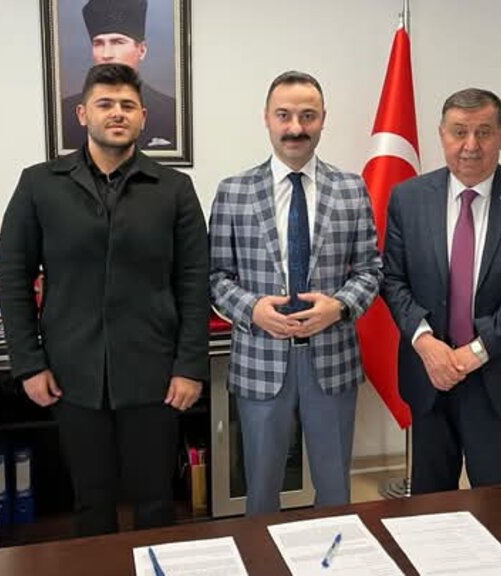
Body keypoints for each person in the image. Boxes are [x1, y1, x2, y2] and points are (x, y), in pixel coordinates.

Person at [0, 63, 208, 536]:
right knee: (91, 502)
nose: (117, 113)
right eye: (105, 104)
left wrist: (190, 366)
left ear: (143, 117)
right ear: (82, 113)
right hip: (72, 373)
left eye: (128, 105)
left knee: (156, 500)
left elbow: (194, 281)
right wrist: (28, 364)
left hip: (155, 373)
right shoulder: (39, 184)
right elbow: (11, 275)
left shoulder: (173, 189)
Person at [209, 71, 381, 515]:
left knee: (335, 491)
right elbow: (215, 277)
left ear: (323, 119)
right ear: (266, 118)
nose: (295, 127)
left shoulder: (351, 188)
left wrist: (339, 306)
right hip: (261, 359)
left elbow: (370, 270)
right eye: (284, 115)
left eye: (308, 116)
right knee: (261, 491)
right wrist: (252, 309)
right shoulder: (233, 192)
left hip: (332, 359)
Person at [381, 88, 501, 494]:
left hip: (497, 376)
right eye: (459, 131)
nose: (470, 145)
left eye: (484, 132)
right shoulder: (408, 198)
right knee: (429, 503)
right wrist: (425, 343)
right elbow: (392, 278)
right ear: (441, 134)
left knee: (497, 504)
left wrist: (476, 351)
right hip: (429, 374)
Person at [61, 0, 177, 151]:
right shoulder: (65, 112)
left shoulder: (170, 111)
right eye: (98, 43)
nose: (107, 54)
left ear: (141, 50)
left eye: (118, 42)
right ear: (81, 114)